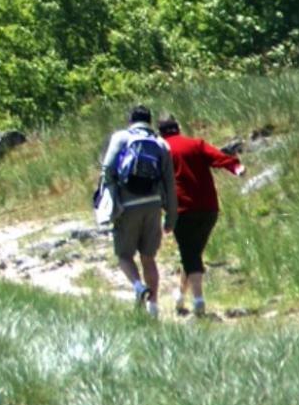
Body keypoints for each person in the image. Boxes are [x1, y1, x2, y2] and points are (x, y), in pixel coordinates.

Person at [158, 115, 244, 317]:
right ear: (178, 128)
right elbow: (218, 157)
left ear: (160, 132)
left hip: (182, 209)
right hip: (208, 209)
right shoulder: (196, 144)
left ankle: (198, 301)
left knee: (190, 255)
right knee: (193, 254)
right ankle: (180, 296)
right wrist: (236, 167)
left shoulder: (162, 150)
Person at [100, 105, 177, 317]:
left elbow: (107, 169)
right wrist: (171, 215)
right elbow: (170, 183)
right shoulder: (161, 144)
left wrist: (112, 196)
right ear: (150, 121)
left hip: (128, 206)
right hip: (153, 205)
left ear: (130, 120)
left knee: (124, 255)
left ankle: (138, 287)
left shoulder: (121, 137)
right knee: (148, 257)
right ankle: (153, 307)